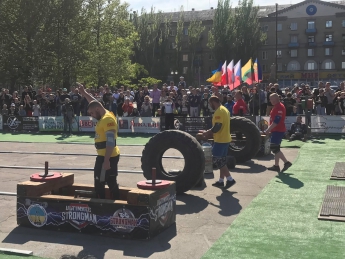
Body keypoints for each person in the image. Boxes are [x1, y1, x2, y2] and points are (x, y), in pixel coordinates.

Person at [77, 82, 120, 200]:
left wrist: (106, 161)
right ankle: (115, 202)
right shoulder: (103, 112)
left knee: (100, 182)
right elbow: (95, 102)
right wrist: (84, 93)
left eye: (91, 113)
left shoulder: (107, 120)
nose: (91, 116)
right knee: (110, 181)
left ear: (97, 109)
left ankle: (102, 205)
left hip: (107, 156)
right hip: (105, 155)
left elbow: (110, 142)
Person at [201, 96, 236, 189]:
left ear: (213, 102)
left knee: (217, 160)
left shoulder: (219, 111)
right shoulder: (225, 109)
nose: (209, 106)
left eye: (210, 103)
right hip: (226, 139)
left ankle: (230, 179)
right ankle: (221, 181)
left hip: (221, 140)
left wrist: (207, 133)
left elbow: (217, 127)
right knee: (222, 160)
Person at [263, 93, 292, 173]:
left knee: (274, 148)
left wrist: (268, 130)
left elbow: (276, 121)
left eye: (271, 99)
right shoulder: (277, 106)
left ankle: (286, 162)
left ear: (276, 99)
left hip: (278, 130)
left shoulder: (279, 107)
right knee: (276, 148)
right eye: (270, 99)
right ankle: (276, 166)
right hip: (276, 130)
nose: (270, 101)